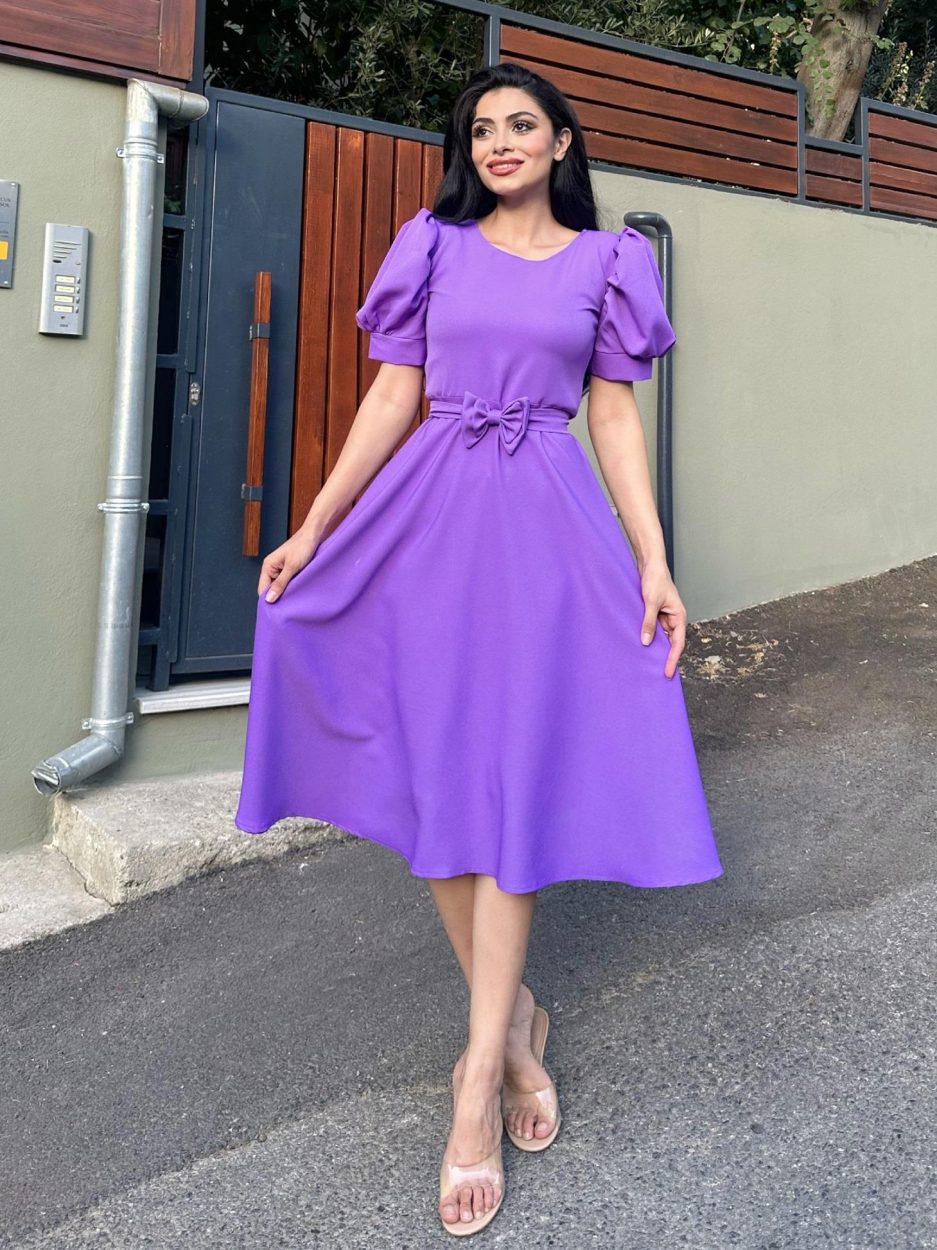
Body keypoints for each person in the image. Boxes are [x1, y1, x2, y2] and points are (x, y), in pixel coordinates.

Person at [234, 60, 724, 1237]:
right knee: (438, 776)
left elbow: (613, 412)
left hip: (545, 532)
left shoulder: (611, 263)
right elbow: (390, 396)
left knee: (508, 780)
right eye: (480, 129)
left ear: (561, 142)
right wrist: (315, 526)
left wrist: (653, 559)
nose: (498, 141)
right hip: (429, 526)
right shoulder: (431, 245)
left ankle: (476, 1070)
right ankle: (512, 1030)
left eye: (520, 125)